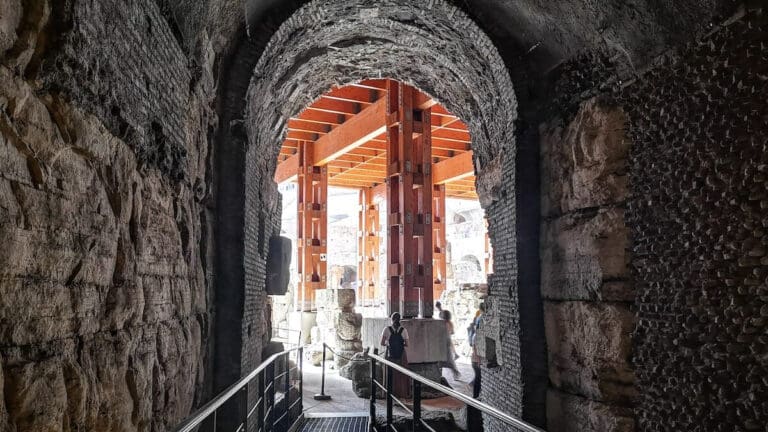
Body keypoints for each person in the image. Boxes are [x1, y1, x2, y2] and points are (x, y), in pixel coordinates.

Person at [441, 310, 461, 380]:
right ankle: (456, 373)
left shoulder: (442, 323)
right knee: (449, 359)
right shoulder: (450, 323)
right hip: (448, 340)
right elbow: (452, 332)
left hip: (443, 342)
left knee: (447, 359)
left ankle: (456, 373)